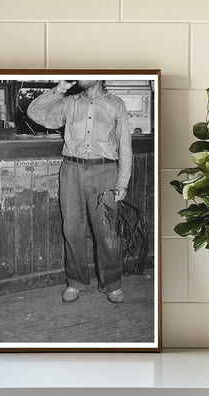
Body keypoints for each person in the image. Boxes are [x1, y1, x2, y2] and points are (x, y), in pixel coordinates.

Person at [27, 80, 132, 303]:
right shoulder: (68, 102)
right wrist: (60, 89)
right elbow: (34, 112)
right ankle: (75, 282)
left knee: (108, 232)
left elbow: (125, 145)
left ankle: (112, 284)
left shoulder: (116, 105)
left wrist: (122, 182)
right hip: (71, 171)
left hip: (105, 173)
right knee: (72, 229)